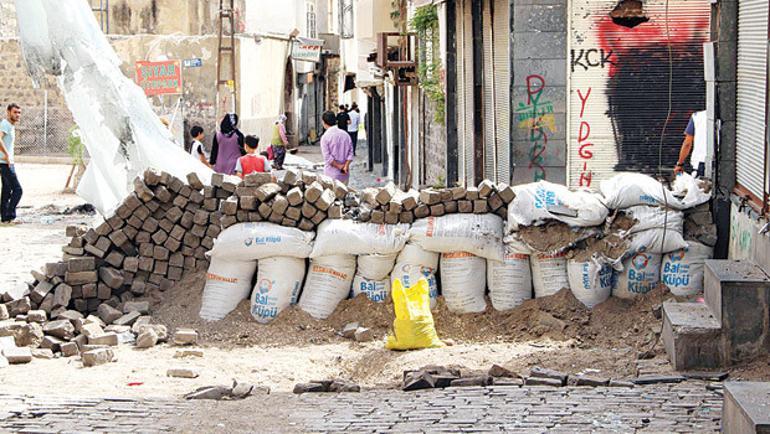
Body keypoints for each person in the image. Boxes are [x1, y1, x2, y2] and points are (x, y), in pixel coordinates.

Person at [0, 103, 22, 225]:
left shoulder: (10, 125)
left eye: (19, 112)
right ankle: (10, 215)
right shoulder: (5, 124)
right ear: (8, 112)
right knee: (18, 190)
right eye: (15, 112)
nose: (17, 115)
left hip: (5, 162)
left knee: (6, 190)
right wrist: (7, 155)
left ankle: (4, 218)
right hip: (5, 163)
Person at [320, 110, 354, 184]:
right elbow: (351, 154)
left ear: (323, 122)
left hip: (330, 175)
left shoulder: (325, 137)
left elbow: (327, 158)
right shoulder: (346, 135)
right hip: (344, 175)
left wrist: (339, 166)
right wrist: (345, 166)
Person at [674, 110, 707, 177]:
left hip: (700, 162)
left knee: (700, 186)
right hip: (723, 163)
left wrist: (680, 164)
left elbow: (687, 143)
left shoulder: (697, 116)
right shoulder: (727, 118)